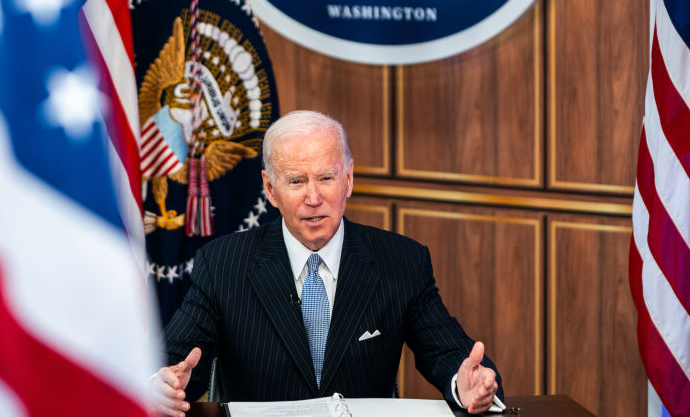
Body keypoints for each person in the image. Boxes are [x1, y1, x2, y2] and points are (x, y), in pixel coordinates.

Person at [154, 111, 503, 416]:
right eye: (296, 181)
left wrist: (467, 384)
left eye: (326, 178)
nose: (314, 198)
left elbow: (450, 354)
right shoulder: (223, 265)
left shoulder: (401, 261)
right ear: (270, 188)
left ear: (348, 179)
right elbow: (174, 362)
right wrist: (162, 385)